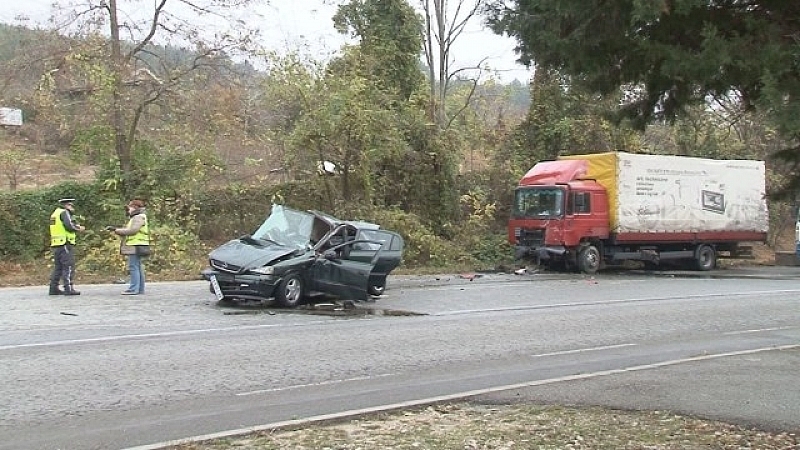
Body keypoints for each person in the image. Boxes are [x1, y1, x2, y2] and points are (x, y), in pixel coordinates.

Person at [108, 199, 150, 295]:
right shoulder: (139, 217)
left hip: (135, 245)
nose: (128, 210)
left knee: (133, 267)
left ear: (135, 207)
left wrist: (117, 230)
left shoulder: (138, 217)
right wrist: (117, 229)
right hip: (139, 245)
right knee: (138, 267)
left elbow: (132, 230)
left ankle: (133, 289)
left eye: (130, 207)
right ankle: (139, 289)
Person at [49, 198, 85, 295]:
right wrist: (78, 228)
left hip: (56, 244)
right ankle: (68, 288)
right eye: (71, 205)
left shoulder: (55, 213)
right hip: (65, 243)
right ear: (66, 205)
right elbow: (69, 226)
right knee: (68, 266)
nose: (73, 208)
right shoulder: (64, 213)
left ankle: (53, 288)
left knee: (58, 267)